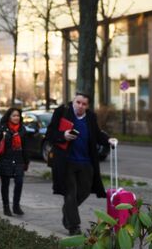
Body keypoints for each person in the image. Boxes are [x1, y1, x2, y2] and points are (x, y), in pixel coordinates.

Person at [47, 92, 118, 235]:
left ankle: (68, 209)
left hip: (86, 162)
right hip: (66, 162)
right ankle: (74, 227)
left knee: (85, 191)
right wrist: (63, 136)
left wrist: (108, 140)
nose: (80, 106)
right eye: (78, 102)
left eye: (84, 104)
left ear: (87, 106)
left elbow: (97, 134)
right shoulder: (62, 112)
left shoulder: (90, 117)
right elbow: (50, 134)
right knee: (70, 194)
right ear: (73, 101)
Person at [0, 107, 29, 216]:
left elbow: (25, 146)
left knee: (19, 182)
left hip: (19, 160)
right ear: (9, 117)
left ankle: (16, 206)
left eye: (18, 116)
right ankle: (6, 207)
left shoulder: (22, 129)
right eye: (14, 116)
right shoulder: (2, 128)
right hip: (4, 160)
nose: (16, 118)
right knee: (5, 184)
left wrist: (26, 160)